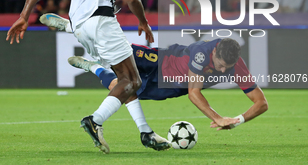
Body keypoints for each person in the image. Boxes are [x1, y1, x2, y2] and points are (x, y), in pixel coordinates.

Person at [6, 0, 169, 154]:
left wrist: (24, 16)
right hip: (102, 21)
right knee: (132, 80)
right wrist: (143, 21)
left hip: (82, 27)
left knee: (122, 81)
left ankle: (145, 132)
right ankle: (95, 119)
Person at [39, 19, 268, 132]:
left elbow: (261, 103)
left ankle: (93, 68)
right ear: (215, 52)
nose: (221, 71)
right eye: (219, 65)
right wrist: (218, 117)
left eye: (226, 68)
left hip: (168, 87)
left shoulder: (235, 65)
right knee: (114, 50)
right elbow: (194, 93)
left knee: (118, 90)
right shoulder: (203, 52)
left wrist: (237, 121)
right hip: (158, 60)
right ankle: (71, 27)